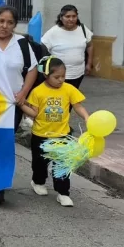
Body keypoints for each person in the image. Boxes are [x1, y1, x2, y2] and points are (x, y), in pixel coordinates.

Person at [0, 7, 38, 205]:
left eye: (10, 22)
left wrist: (23, 93)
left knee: (4, 143)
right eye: (1, 21)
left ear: (15, 25)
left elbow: (32, 70)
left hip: (11, 104)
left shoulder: (21, 43)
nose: (4, 26)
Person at [18, 56, 90, 207]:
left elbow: (78, 106)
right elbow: (34, 113)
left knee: (62, 165)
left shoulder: (69, 89)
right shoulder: (38, 91)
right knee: (40, 164)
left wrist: (86, 117)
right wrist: (21, 104)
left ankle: (63, 193)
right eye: (57, 77)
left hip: (62, 135)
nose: (61, 80)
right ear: (46, 75)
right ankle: (38, 182)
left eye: (63, 76)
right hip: (40, 135)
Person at [41, 4, 93, 90]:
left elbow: (90, 46)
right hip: (59, 75)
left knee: (72, 94)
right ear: (61, 18)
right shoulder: (53, 32)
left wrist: (89, 63)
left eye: (74, 16)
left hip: (78, 73)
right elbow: (43, 49)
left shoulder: (83, 29)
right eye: (67, 16)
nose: (71, 19)